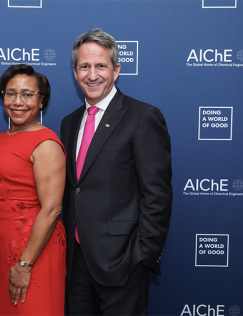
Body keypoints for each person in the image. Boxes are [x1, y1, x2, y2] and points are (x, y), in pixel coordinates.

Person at [60, 29, 173, 316]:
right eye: (85, 66)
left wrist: (140, 255)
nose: (92, 75)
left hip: (123, 263)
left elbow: (157, 195)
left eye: (101, 66)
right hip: (76, 263)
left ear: (116, 70)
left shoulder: (143, 116)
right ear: (75, 72)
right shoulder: (69, 123)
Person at [0, 64, 66, 316]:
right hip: (4, 248)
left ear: (42, 100)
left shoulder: (46, 143)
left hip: (35, 251)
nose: (18, 101)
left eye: (28, 94)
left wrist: (25, 264)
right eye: (10, 93)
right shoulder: (1, 138)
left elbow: (52, 210)